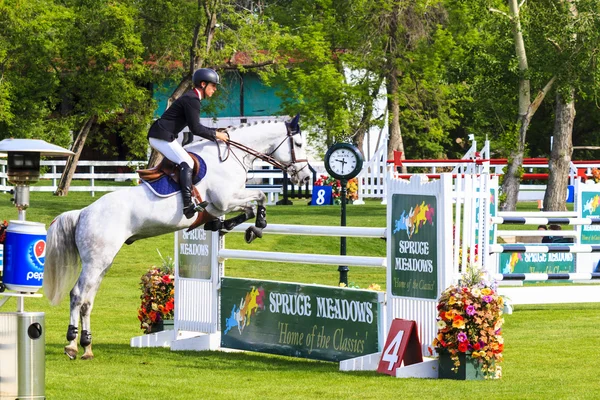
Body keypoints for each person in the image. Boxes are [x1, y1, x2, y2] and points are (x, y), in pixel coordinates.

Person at [147, 68, 228, 219]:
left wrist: (215, 132)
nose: (215, 89)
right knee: (187, 162)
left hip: (164, 136)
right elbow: (196, 128)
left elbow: (196, 127)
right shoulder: (192, 99)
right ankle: (187, 205)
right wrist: (216, 134)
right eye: (213, 85)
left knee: (186, 161)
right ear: (203, 84)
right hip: (160, 136)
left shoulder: (192, 98)